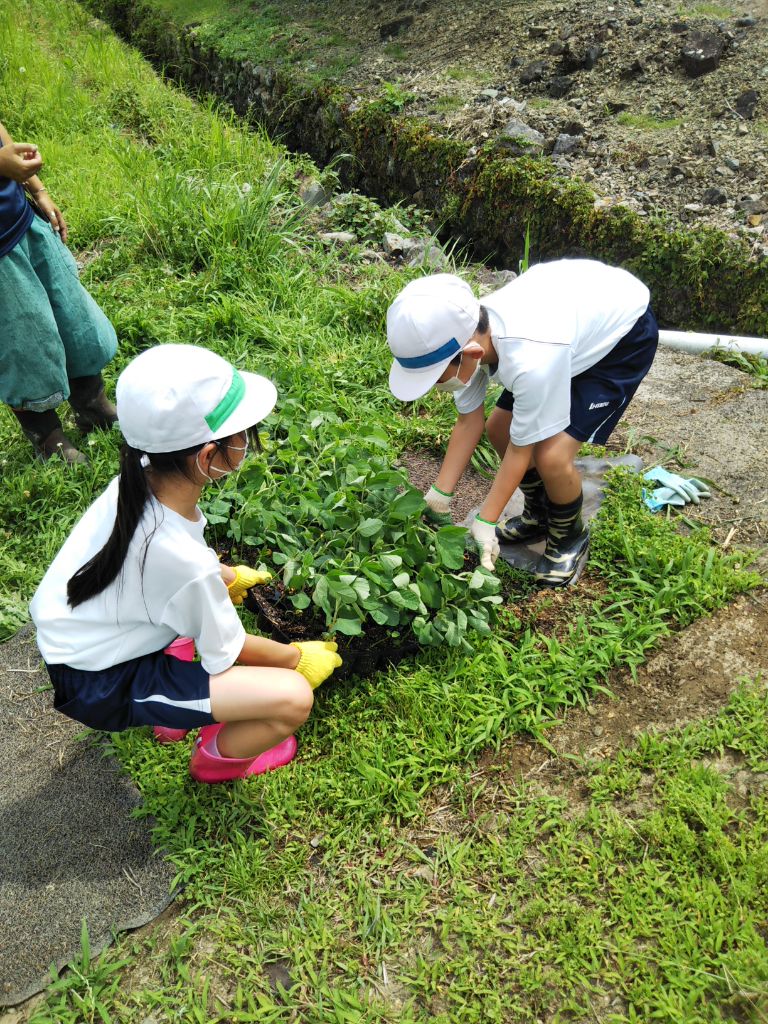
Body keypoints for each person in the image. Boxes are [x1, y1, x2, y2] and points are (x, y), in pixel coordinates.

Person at [30, 344, 342, 784]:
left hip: (88, 636)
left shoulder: (136, 481)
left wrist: (228, 577)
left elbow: (161, 569)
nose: (247, 442)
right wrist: (295, 658)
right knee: (291, 698)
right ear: (208, 454)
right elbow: (228, 653)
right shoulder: (183, 561)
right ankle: (213, 762)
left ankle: (176, 709)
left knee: (188, 618)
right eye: (243, 434)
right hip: (100, 683)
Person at [386, 260, 658, 586]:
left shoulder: (530, 362)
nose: (434, 387)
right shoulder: (469, 335)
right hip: (566, 324)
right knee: (498, 427)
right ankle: (541, 516)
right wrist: (439, 495)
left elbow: (521, 450)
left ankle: (569, 535)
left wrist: (486, 520)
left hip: (621, 336)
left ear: (471, 354)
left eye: (434, 378)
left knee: (551, 456)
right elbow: (468, 423)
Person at [0, 121, 118, 463]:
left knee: (71, 316)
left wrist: (36, 188)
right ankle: (47, 437)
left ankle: (92, 404)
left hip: (21, 221)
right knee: (22, 344)